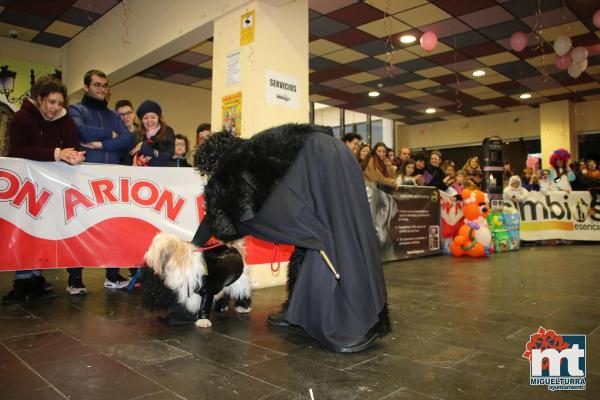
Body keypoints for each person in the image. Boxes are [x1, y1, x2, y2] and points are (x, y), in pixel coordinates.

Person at [192, 124, 390, 353]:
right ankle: (296, 310)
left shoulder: (234, 164)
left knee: (328, 239)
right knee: (338, 232)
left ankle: (353, 324)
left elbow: (220, 221)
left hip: (318, 161)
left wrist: (193, 247)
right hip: (338, 154)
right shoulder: (258, 147)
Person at [3, 76, 85, 305]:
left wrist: (74, 155)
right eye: (51, 102)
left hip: (51, 186)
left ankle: (36, 276)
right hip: (24, 187)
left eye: (59, 103)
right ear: (40, 99)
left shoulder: (66, 121)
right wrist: (57, 153)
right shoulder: (22, 118)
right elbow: (18, 150)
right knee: (24, 229)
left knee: (41, 231)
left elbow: (72, 147)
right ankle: (23, 279)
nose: (55, 108)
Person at [69, 69, 133, 294]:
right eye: (97, 85)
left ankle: (113, 275)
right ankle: (75, 278)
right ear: (86, 87)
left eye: (105, 86)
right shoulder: (76, 109)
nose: (101, 90)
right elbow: (80, 131)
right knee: (80, 227)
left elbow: (128, 139)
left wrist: (101, 144)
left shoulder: (113, 115)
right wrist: (111, 135)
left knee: (112, 226)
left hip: (111, 179)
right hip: (84, 177)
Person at [130, 100, 175, 167]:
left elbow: (167, 157)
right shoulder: (136, 135)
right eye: (145, 118)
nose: (149, 121)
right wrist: (137, 163)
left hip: (162, 174)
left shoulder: (167, 132)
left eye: (153, 117)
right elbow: (129, 158)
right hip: (141, 175)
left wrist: (144, 147)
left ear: (158, 118)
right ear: (141, 121)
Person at [114, 99, 142, 165]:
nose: (125, 117)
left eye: (128, 113)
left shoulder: (145, 134)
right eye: (121, 115)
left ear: (133, 114)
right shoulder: (113, 136)